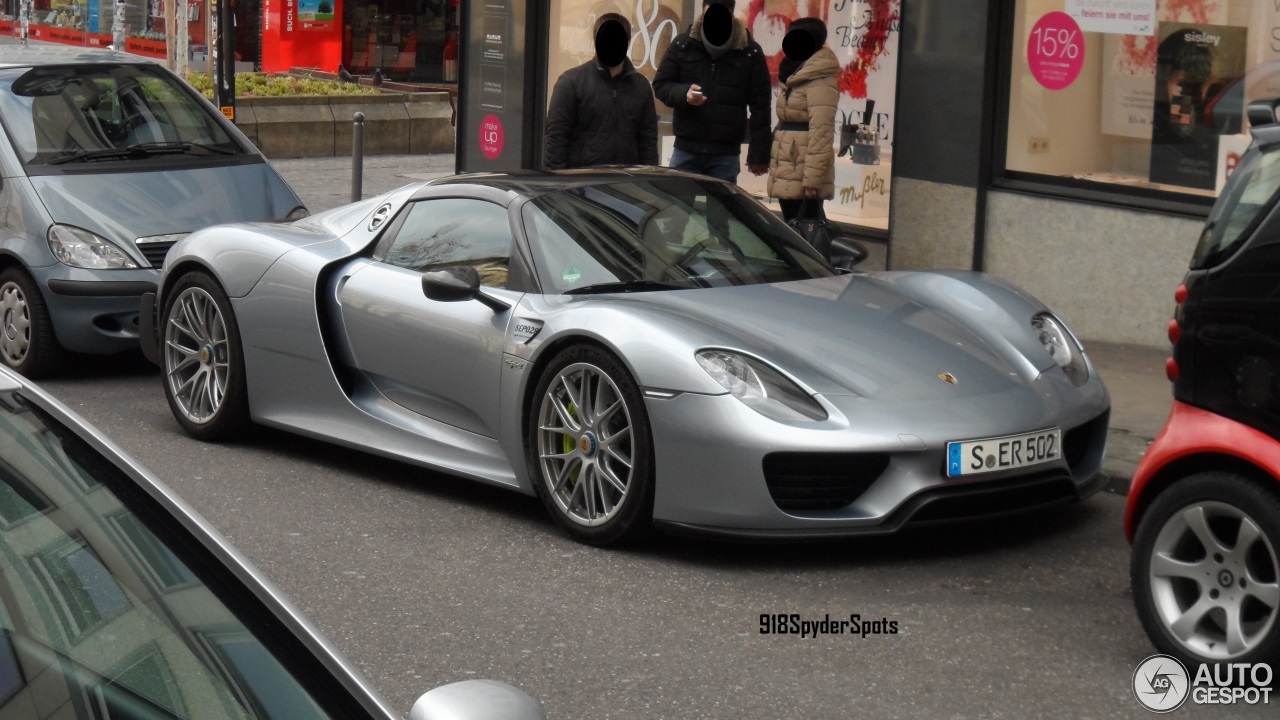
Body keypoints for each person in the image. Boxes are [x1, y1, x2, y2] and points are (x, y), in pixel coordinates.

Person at [652, 0, 771, 183]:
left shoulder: (750, 52)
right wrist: (684, 94)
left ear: (732, 16)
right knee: (678, 208)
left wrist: (759, 155)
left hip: (725, 153)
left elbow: (761, 106)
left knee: (722, 210)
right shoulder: (683, 45)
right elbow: (661, 84)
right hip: (686, 148)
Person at [543, 13, 659, 171]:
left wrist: (649, 181)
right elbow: (556, 137)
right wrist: (557, 182)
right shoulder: (571, 82)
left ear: (628, 44)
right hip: (582, 181)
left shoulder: (641, 86)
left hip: (627, 183)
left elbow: (648, 141)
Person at [767, 17, 838, 222]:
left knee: (808, 226)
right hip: (787, 161)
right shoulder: (794, 70)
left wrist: (813, 178)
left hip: (803, 163)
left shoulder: (821, 79)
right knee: (793, 222)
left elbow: (821, 130)